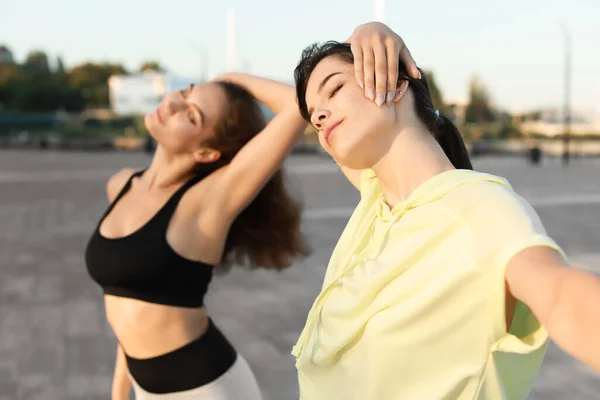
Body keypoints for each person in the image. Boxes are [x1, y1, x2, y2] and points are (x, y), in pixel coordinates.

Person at [83, 22, 397, 400]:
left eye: (193, 115)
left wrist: (235, 78)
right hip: (144, 386)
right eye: (184, 93)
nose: (172, 103)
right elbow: (126, 301)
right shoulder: (121, 185)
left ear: (207, 153)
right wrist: (120, 391)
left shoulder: (210, 202)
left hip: (205, 388)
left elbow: (300, 107)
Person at [291, 22, 600, 400]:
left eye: (335, 89)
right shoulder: (378, 202)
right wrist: (368, 29)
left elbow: (561, 296)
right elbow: (288, 106)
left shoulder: (479, 209)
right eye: (313, 114)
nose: (319, 117)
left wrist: (370, 35)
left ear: (394, 81)